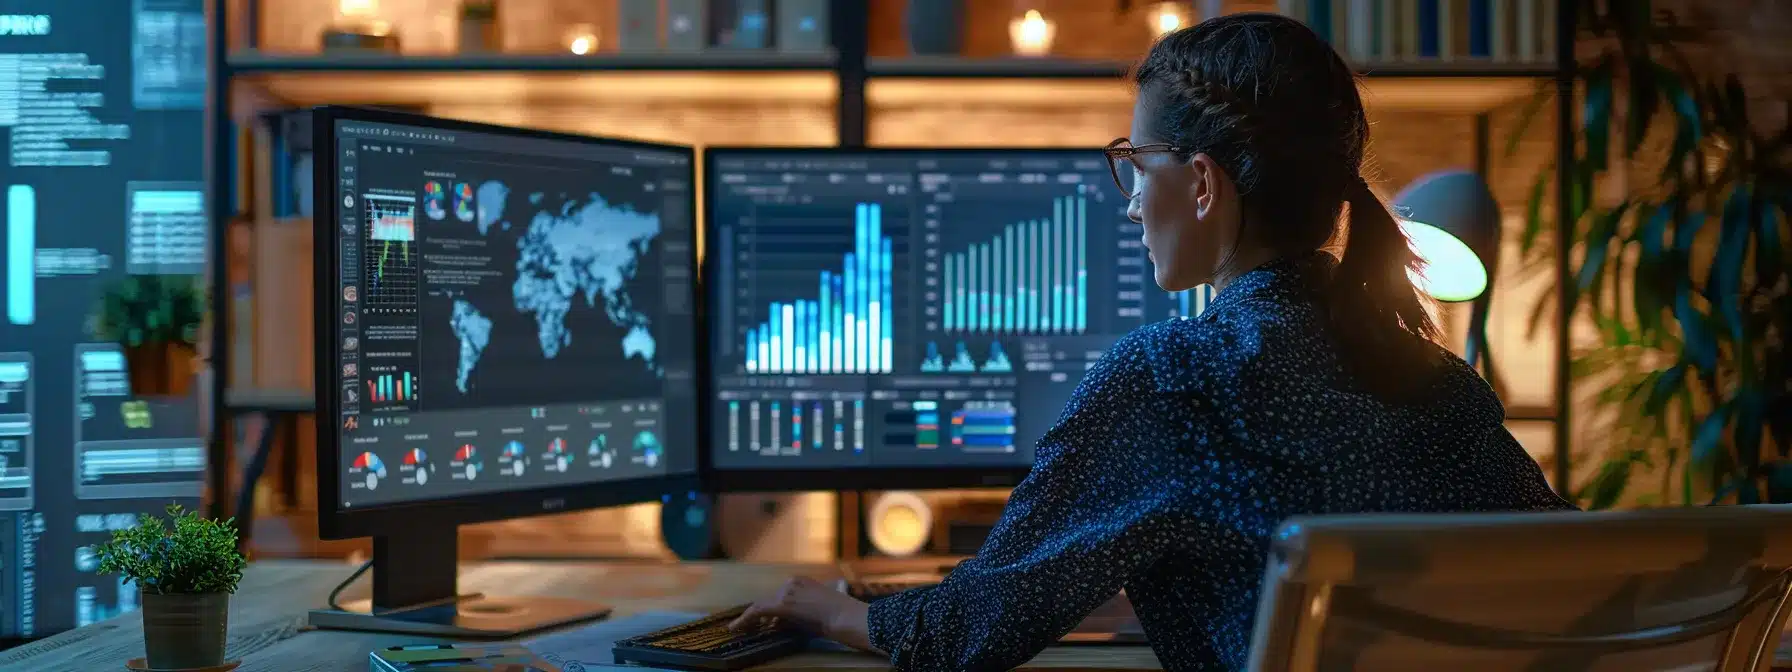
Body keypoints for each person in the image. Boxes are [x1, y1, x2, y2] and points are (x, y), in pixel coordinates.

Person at [728, 13, 1575, 671]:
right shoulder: (1439, 380)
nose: (1131, 204)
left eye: (1138, 166)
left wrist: (827, 607)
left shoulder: (1175, 381)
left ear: (1201, 182)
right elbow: (1566, 567)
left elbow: (967, 637)